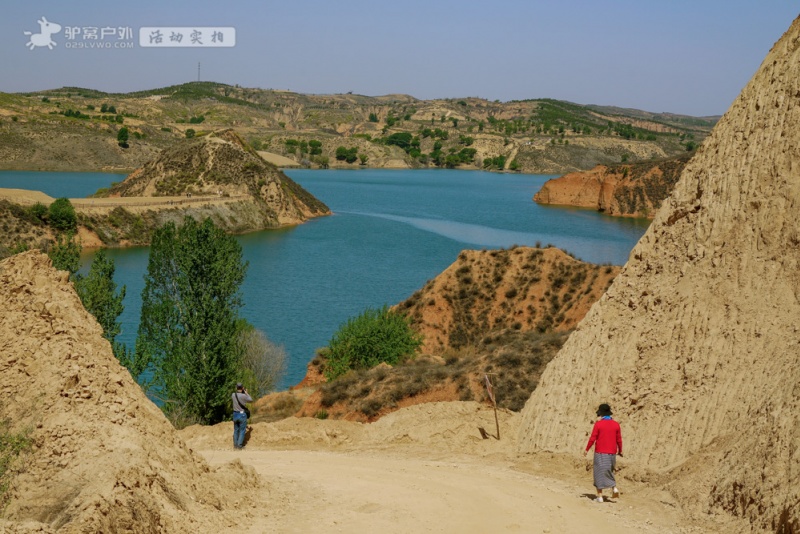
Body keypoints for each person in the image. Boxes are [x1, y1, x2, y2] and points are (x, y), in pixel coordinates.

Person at [583, 403, 623, 502]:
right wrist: (620, 450)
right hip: (612, 453)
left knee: (598, 473)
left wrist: (586, 449)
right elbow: (619, 440)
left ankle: (600, 496)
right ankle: (614, 487)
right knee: (609, 471)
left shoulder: (598, 424)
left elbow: (593, 438)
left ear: (601, 414)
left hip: (600, 452)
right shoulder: (616, 425)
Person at [232, 383, 253, 450]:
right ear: (242, 388)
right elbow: (251, 400)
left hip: (235, 414)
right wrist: (246, 393)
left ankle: (235, 446)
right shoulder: (244, 396)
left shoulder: (233, 395)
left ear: (236, 388)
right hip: (242, 415)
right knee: (242, 431)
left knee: (236, 430)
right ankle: (239, 446)